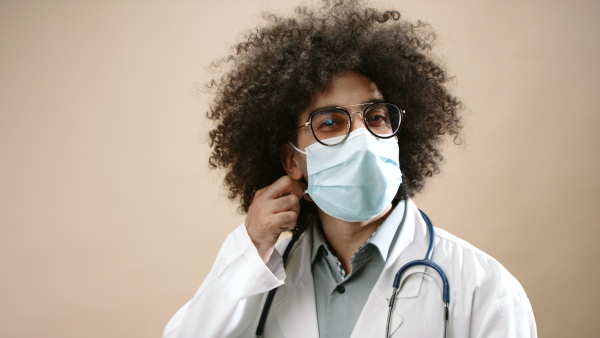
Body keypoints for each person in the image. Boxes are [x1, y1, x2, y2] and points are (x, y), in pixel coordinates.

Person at [163, 1, 537, 337]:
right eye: (330, 123)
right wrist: (250, 248)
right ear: (293, 161)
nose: (362, 137)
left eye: (375, 116)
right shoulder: (257, 279)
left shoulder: (484, 287)